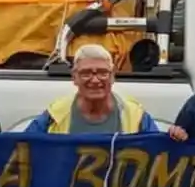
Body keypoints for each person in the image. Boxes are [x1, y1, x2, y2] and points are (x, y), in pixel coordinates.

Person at [25, 44, 158, 134]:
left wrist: (175, 136)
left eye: (102, 73)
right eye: (86, 73)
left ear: (112, 77)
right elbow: (22, 147)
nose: (95, 80)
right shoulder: (55, 115)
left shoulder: (135, 115)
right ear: (74, 78)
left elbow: (159, 151)